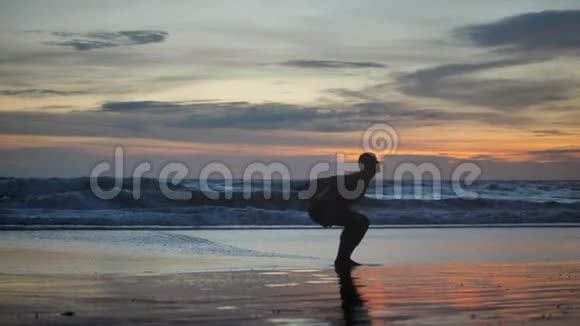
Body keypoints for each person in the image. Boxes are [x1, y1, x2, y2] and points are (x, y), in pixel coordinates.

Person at [300, 152, 380, 270]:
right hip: (322, 210)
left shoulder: (360, 179)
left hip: (327, 209)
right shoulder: (355, 180)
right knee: (359, 221)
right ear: (365, 166)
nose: (376, 167)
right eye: (373, 164)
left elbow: (330, 180)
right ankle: (342, 259)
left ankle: (343, 258)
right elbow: (329, 184)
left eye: (376, 164)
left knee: (359, 222)